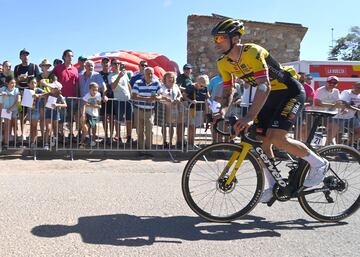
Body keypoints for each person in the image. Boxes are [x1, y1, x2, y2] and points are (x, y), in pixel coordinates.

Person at [211, 18, 329, 203]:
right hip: (271, 97)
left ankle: (319, 164)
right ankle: (274, 186)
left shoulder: (252, 52)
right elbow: (228, 89)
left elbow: (264, 86)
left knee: (276, 137)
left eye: (219, 38)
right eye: (214, 39)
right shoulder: (223, 63)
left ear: (234, 39)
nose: (215, 43)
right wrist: (222, 111)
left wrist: (250, 116)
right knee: (260, 140)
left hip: (290, 92)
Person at [131, 67, 162, 151]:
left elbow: (160, 95)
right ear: (144, 74)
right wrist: (146, 99)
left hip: (150, 111)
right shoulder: (138, 82)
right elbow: (133, 96)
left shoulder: (156, 83)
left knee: (149, 131)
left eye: (151, 73)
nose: (150, 75)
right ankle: (141, 150)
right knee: (139, 131)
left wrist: (157, 97)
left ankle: (148, 149)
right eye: (148, 73)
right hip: (138, 110)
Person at [53, 49, 79, 140]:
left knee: (71, 117)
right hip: (60, 97)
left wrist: (77, 96)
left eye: (72, 56)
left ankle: (71, 134)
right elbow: (53, 80)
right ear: (64, 57)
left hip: (72, 97)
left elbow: (76, 84)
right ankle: (61, 134)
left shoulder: (75, 69)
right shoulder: (58, 68)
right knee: (61, 117)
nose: (70, 57)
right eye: (68, 55)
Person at [108, 59, 132, 144]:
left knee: (129, 120)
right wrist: (119, 77)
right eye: (115, 63)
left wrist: (131, 95)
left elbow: (128, 85)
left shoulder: (125, 74)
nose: (117, 65)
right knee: (118, 120)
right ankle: (118, 137)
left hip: (128, 100)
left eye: (118, 63)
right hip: (118, 100)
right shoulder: (111, 76)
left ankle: (129, 137)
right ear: (112, 65)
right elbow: (113, 87)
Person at [314, 75, 342, 145]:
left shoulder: (336, 91)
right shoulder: (321, 90)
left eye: (334, 83)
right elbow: (318, 103)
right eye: (330, 82)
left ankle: (327, 145)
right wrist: (333, 105)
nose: (332, 84)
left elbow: (338, 102)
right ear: (326, 82)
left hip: (328, 114)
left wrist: (343, 108)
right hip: (316, 113)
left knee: (335, 128)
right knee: (306, 130)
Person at [183, 74, 209, 149]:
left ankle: (192, 143)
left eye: (204, 85)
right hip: (191, 109)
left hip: (200, 110)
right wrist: (191, 101)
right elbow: (184, 96)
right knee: (191, 127)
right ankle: (189, 143)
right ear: (198, 82)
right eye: (201, 85)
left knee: (194, 127)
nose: (202, 87)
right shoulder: (190, 87)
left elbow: (207, 97)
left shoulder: (205, 88)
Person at [159, 72, 182, 148]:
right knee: (163, 125)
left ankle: (171, 141)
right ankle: (164, 141)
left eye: (171, 77)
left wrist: (178, 99)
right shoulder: (161, 86)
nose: (170, 78)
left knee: (171, 125)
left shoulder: (175, 86)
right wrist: (165, 98)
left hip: (173, 107)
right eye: (168, 77)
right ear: (165, 78)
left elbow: (180, 95)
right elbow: (158, 95)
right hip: (163, 107)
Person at [43, 81, 67, 150]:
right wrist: (37, 95)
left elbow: (65, 105)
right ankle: (46, 144)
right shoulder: (48, 94)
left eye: (52, 87)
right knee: (48, 128)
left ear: (57, 89)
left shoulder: (60, 96)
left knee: (55, 129)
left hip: (56, 113)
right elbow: (41, 94)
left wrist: (57, 105)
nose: (50, 88)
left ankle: (54, 141)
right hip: (48, 112)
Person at [0, 75, 20, 150]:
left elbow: (18, 101)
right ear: (7, 83)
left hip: (13, 110)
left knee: (15, 126)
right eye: (12, 83)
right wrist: (2, 94)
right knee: (6, 127)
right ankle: (5, 143)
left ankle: (16, 142)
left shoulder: (16, 90)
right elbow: (1, 100)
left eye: (14, 83)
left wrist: (10, 109)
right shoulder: (2, 89)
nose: (13, 85)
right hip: (5, 110)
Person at [25, 77, 46, 148]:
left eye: (35, 82)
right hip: (29, 110)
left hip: (36, 110)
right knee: (31, 126)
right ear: (28, 84)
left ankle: (33, 143)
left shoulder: (38, 90)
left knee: (34, 127)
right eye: (31, 83)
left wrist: (39, 95)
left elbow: (47, 93)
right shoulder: (27, 91)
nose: (33, 84)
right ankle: (32, 141)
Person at [80, 82, 102, 148]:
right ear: (89, 89)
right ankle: (83, 141)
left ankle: (93, 140)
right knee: (85, 127)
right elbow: (84, 105)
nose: (95, 91)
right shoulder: (87, 95)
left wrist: (90, 105)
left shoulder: (98, 95)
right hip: (87, 113)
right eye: (93, 90)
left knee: (94, 128)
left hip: (94, 114)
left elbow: (99, 106)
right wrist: (83, 114)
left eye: (96, 90)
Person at [38, 59, 56, 137]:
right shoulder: (38, 76)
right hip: (41, 98)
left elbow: (56, 86)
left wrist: (46, 84)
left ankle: (50, 135)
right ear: (42, 67)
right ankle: (42, 135)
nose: (46, 67)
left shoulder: (53, 76)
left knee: (50, 118)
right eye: (44, 65)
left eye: (47, 65)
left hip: (51, 98)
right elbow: (36, 87)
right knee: (42, 118)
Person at [99, 57, 114, 143]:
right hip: (102, 99)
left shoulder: (112, 74)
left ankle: (111, 136)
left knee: (112, 118)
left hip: (112, 98)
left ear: (109, 64)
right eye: (104, 62)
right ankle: (106, 135)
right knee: (104, 117)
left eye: (107, 62)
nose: (105, 64)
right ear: (101, 64)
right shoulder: (98, 74)